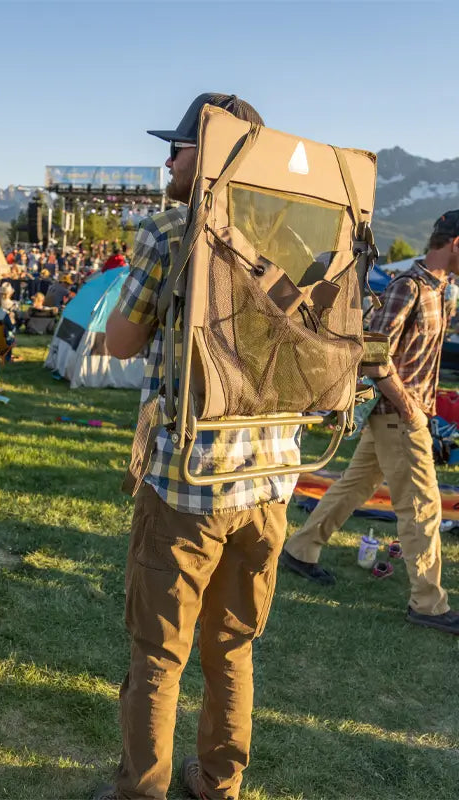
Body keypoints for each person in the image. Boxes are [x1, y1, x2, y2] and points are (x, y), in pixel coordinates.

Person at [96, 93, 297, 800]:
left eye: (177, 147)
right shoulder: (293, 235)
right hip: (271, 483)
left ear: (207, 152)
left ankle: (141, 788)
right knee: (234, 646)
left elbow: (120, 342)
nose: (167, 159)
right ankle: (218, 780)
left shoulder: (168, 231)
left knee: (157, 653)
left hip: (189, 483)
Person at [281, 210, 459, 635]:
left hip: (404, 413)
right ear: (455, 243)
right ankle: (428, 604)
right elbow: (373, 355)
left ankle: (301, 549)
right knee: (422, 509)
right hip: (400, 414)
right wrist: (411, 408)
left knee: (353, 486)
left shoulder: (443, 289)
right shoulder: (408, 287)